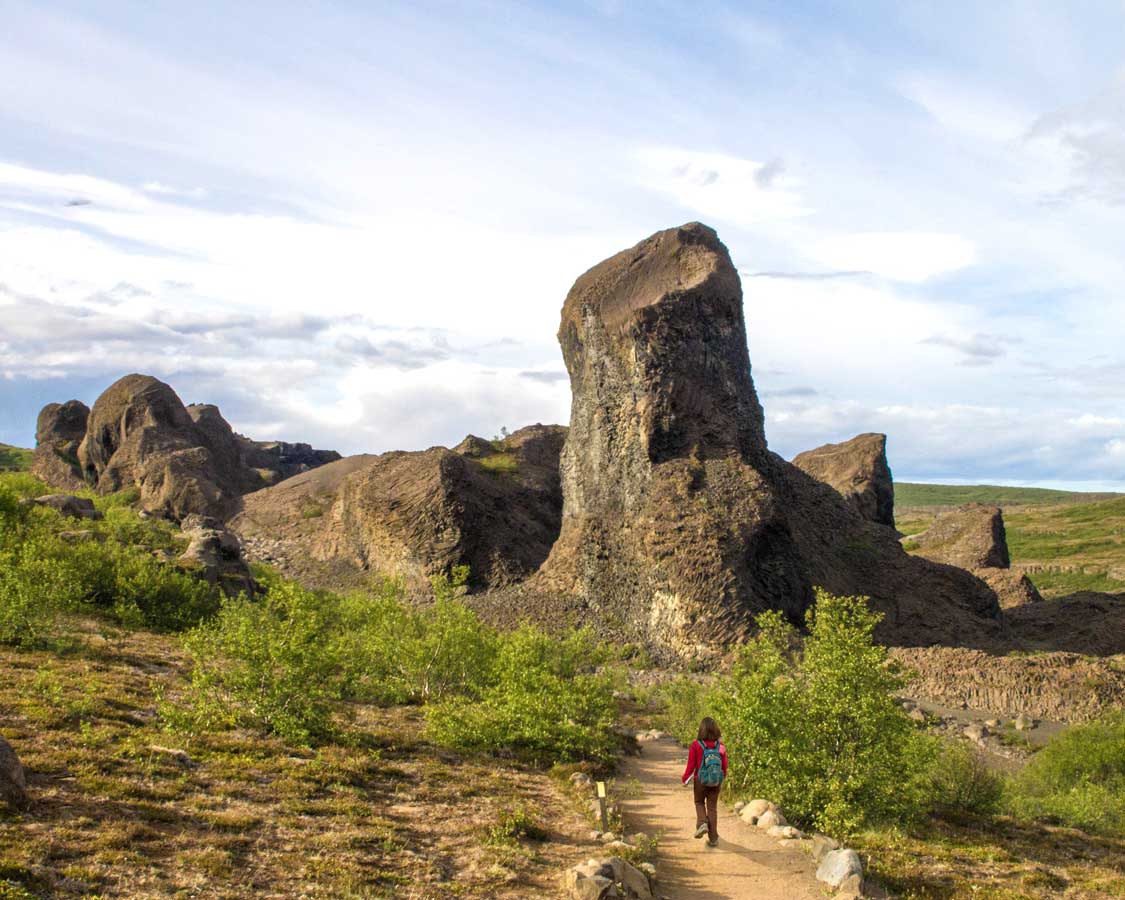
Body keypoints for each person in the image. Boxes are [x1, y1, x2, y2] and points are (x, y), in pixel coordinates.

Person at [681, 716, 728, 847]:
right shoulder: (720, 746)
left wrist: (685, 778)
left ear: (701, 730)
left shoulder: (696, 745)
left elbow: (691, 765)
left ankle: (702, 823)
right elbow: (725, 764)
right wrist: (722, 776)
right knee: (712, 808)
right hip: (716, 781)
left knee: (699, 802)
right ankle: (713, 839)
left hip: (700, 780)